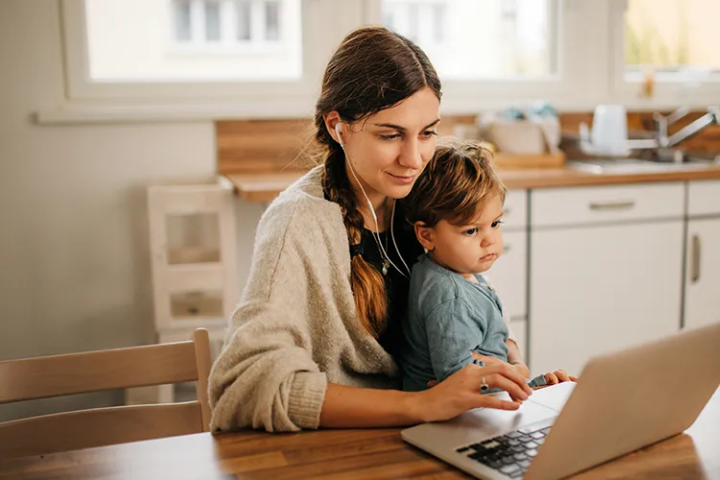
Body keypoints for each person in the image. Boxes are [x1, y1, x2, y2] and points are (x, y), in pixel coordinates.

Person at [208, 26, 564, 433]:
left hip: (436, 431)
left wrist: (519, 374)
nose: (414, 158)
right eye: (391, 135)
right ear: (338, 126)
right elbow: (247, 383)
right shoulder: (299, 222)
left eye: (427, 132)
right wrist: (422, 405)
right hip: (346, 448)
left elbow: (466, 318)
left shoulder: (424, 191)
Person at [399, 142, 573, 392]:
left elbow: (491, 346)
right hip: (461, 416)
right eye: (471, 230)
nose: (489, 239)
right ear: (426, 236)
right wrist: (522, 378)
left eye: (495, 223)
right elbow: (458, 378)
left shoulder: (457, 272)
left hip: (486, 400)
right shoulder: (450, 297)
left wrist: (519, 369)